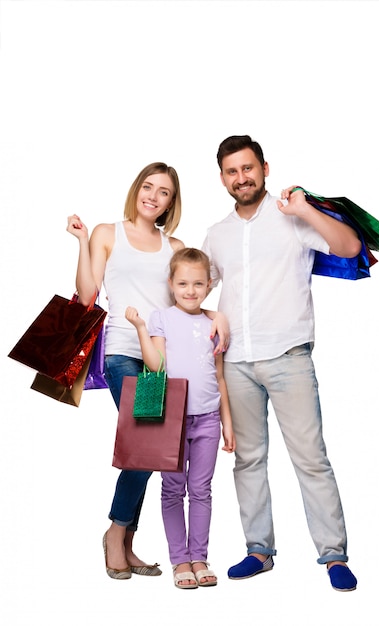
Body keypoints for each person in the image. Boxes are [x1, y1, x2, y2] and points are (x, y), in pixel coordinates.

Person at [202, 135, 361, 592]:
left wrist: (307, 210)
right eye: (232, 171)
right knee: (248, 460)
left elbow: (349, 247)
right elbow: (196, 286)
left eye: (248, 168)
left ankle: (334, 556)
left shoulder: (292, 215)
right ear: (222, 178)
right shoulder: (217, 233)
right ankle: (258, 550)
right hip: (236, 363)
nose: (241, 178)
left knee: (311, 459)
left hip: (289, 357)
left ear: (264, 168)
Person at [67, 163, 228, 581]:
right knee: (149, 441)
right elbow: (87, 295)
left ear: (172, 203)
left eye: (164, 193)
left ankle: (127, 538)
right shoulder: (107, 233)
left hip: (162, 357)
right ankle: (116, 532)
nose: (153, 197)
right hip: (122, 350)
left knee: (152, 449)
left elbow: (187, 299)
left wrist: (214, 314)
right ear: (136, 189)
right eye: (148, 187)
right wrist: (83, 243)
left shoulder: (173, 246)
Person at [125, 247, 236, 589]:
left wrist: (226, 422)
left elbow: (219, 376)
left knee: (201, 489)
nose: (191, 290)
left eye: (198, 284)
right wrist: (142, 328)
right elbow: (156, 366)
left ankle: (199, 556)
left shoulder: (213, 323)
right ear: (171, 283)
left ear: (209, 285)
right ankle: (180, 560)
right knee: (173, 490)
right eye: (184, 283)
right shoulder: (160, 317)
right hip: (170, 419)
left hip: (207, 420)